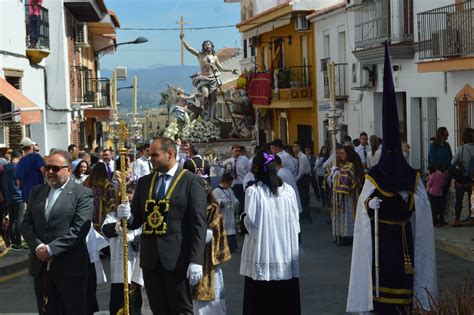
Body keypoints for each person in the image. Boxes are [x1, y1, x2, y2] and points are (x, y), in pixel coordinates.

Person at [347, 44, 436, 314]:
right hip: (382, 242)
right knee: (384, 283)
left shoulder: (412, 177)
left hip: (404, 238)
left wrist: (411, 202)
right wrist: (369, 207)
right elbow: (363, 217)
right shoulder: (374, 178)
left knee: (406, 282)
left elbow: (422, 207)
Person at [116, 137, 207, 314]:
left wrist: (196, 260)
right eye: (150, 155)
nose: (151, 159)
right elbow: (136, 221)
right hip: (151, 259)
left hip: (178, 258)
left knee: (181, 309)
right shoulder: (144, 182)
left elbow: (199, 224)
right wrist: (126, 215)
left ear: (170, 154)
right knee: (159, 310)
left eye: (155, 155)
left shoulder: (190, 181)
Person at [21, 149, 94, 314]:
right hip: (41, 267)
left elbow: (79, 229)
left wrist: (51, 249)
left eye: (55, 168)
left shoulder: (82, 194)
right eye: (47, 168)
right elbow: (26, 223)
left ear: (68, 170)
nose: (50, 172)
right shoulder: (37, 191)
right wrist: (39, 247)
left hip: (70, 268)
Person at [240, 150, 301, 314]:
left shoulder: (254, 192)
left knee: (261, 303)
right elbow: (295, 221)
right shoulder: (288, 191)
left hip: (263, 253)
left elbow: (250, 223)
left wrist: (242, 219)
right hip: (285, 255)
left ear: (256, 168)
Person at [102, 186, 143, 315]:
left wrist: (132, 237)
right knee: (117, 301)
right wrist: (116, 227)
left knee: (134, 302)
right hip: (119, 269)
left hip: (135, 267)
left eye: (131, 201)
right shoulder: (113, 215)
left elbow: (145, 236)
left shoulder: (140, 217)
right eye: (126, 202)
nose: (128, 205)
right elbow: (105, 229)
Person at [193, 178, 231, 315]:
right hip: (190, 255)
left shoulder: (212, 208)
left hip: (207, 258)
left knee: (210, 304)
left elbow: (213, 233)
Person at [181, 34, 238, 122]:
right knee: (206, 95)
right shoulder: (200, 55)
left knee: (213, 100)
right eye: (205, 45)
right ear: (203, 47)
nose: (207, 46)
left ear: (211, 46)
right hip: (204, 79)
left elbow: (221, 68)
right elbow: (189, 48)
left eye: (208, 44)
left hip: (213, 79)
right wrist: (183, 40)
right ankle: (205, 110)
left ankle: (212, 117)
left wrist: (231, 70)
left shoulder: (215, 57)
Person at [332, 146, 363, 244]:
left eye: (343, 153)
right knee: (344, 215)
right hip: (344, 195)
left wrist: (336, 174)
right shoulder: (345, 165)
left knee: (348, 214)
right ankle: (344, 234)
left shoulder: (350, 166)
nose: (340, 155)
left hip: (349, 195)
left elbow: (345, 181)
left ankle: (349, 236)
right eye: (340, 153)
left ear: (348, 154)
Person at [84, 162, 118, 232]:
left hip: (87, 213)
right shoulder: (107, 185)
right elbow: (111, 203)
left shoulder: (87, 182)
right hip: (101, 218)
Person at [428, 127, 453, 221]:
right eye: (446, 134)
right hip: (437, 175)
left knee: (444, 196)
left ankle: (442, 218)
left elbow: (451, 158)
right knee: (436, 197)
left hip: (447, 174)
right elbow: (433, 160)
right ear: (441, 134)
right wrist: (440, 171)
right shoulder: (434, 145)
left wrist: (448, 170)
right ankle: (435, 218)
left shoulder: (447, 146)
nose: (448, 136)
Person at [451, 128, 474, 226]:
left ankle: (457, 220)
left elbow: (453, 162)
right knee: (472, 200)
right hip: (472, 179)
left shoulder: (461, 149)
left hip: (461, 179)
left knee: (459, 200)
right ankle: (472, 219)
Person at [3, 150, 26, 250]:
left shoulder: (6, 168)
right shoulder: (17, 167)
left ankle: (12, 241)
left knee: (12, 219)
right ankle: (18, 242)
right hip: (19, 196)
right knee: (19, 220)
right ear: (20, 157)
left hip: (9, 197)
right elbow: (19, 182)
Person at [212, 173, 239, 253]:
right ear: (224, 182)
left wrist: (236, 202)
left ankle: (232, 248)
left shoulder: (230, 190)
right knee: (223, 231)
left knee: (231, 232)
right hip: (223, 215)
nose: (230, 185)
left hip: (230, 214)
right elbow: (217, 202)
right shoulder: (216, 191)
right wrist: (223, 202)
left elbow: (234, 200)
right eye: (229, 183)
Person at [16, 137, 45, 204]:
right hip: (38, 192)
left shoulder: (20, 162)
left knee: (30, 213)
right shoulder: (36, 157)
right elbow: (43, 171)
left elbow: (18, 183)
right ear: (31, 146)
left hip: (26, 194)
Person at [223, 145, 249, 217]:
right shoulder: (227, 161)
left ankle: (242, 218)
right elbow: (223, 174)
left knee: (243, 204)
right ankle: (235, 217)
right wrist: (226, 169)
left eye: (239, 151)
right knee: (234, 203)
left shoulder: (244, 159)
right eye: (236, 151)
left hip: (243, 185)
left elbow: (249, 171)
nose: (237, 153)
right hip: (233, 185)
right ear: (232, 151)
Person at [293, 141, 312, 222]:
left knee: (304, 197)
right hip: (303, 178)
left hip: (304, 178)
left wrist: (296, 179)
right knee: (302, 197)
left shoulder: (302, 157)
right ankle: (305, 215)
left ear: (299, 147)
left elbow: (302, 171)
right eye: (293, 147)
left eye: (295, 146)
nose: (293, 148)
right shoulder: (299, 157)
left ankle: (306, 216)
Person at [426, 163, 447, 227]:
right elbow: (443, 183)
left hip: (432, 193)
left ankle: (435, 222)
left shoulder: (434, 175)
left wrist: (427, 190)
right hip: (440, 193)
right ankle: (441, 221)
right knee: (440, 208)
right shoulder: (443, 175)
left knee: (434, 209)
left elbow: (429, 184)